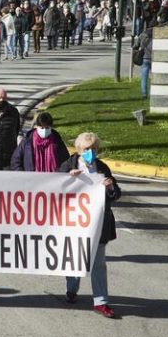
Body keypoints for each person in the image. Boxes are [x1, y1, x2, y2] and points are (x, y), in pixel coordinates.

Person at [60, 132, 121, 318]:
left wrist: (110, 188)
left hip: (98, 223)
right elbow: (54, 188)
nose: (91, 152)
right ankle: (72, 290)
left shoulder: (102, 168)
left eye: (94, 149)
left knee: (98, 264)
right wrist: (67, 178)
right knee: (74, 257)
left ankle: (101, 302)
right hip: (74, 222)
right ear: (79, 150)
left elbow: (116, 194)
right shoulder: (68, 165)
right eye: (87, 149)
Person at [138, 26, 154, 100]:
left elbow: (136, 45)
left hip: (145, 58)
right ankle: (153, 92)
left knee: (144, 78)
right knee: (154, 77)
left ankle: (144, 94)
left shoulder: (142, 35)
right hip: (153, 59)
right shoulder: (156, 36)